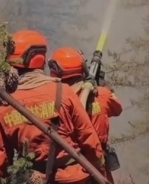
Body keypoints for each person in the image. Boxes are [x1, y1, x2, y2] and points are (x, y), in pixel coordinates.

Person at [0, 29, 105, 183]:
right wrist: (99, 170)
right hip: (74, 178)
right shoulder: (64, 92)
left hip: (33, 179)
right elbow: (88, 137)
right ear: (41, 59)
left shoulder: (3, 105)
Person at [48, 47, 123, 183]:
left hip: (68, 169)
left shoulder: (54, 101)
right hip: (98, 166)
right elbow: (117, 108)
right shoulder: (102, 94)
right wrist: (102, 85)